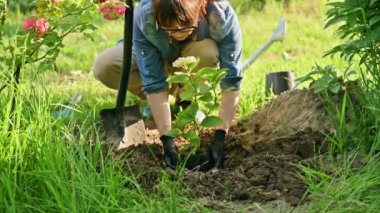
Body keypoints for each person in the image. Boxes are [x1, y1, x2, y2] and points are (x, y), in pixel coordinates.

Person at [93, 0, 242, 169]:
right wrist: (167, 141)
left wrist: (220, 137)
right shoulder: (145, 16)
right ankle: (159, 105)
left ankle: (186, 100)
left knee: (207, 52)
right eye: (170, 28)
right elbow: (152, 80)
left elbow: (231, 80)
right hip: (157, 49)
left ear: (200, 10)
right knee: (105, 66)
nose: (178, 34)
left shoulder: (221, 17)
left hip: (195, 52)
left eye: (185, 27)